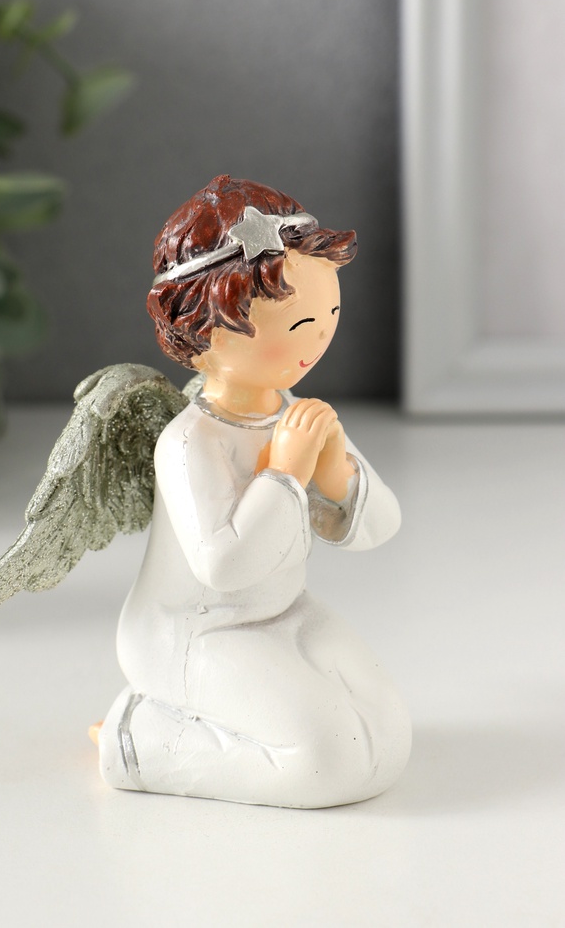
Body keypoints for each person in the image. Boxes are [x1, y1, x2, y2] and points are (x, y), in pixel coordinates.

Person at [97, 175, 411, 807]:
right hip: (194, 635)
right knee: (330, 764)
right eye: (300, 323)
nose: (318, 339)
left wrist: (336, 479)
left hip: (283, 612)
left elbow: (382, 528)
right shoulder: (190, 443)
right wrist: (285, 475)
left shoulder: (289, 410)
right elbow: (224, 565)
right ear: (209, 334)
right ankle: (139, 739)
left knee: (387, 737)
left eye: (329, 317)